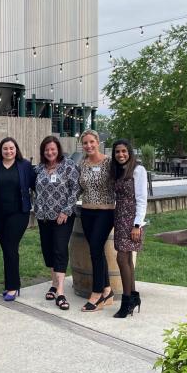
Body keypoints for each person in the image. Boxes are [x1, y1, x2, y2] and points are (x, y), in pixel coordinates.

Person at [0, 137, 35, 301]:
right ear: (1, 150)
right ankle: (11, 284)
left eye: (11, 148)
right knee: (6, 249)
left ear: (16, 149)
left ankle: (13, 287)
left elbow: (36, 185)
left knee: (10, 247)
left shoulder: (25, 166)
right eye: (5, 148)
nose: (8, 151)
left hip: (18, 214)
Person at [34, 135, 80, 310]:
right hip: (43, 216)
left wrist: (66, 211)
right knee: (48, 250)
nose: (50, 152)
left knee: (60, 249)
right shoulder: (39, 168)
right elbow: (35, 190)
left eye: (52, 149)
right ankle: (53, 283)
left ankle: (60, 291)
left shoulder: (68, 166)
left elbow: (75, 189)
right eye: (46, 150)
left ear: (58, 149)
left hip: (62, 217)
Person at [78, 129, 116, 312]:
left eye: (91, 142)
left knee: (94, 250)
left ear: (98, 142)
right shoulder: (83, 163)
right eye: (85, 143)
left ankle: (97, 294)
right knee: (97, 250)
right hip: (87, 212)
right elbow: (79, 188)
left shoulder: (109, 162)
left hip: (105, 212)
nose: (88, 145)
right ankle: (108, 291)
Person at [110, 139, 147, 318]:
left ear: (130, 152)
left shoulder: (138, 170)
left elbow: (141, 198)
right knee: (128, 260)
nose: (121, 155)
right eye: (117, 152)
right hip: (120, 217)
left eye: (124, 151)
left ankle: (126, 301)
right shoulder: (118, 171)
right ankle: (133, 296)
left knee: (122, 258)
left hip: (132, 220)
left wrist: (137, 225)